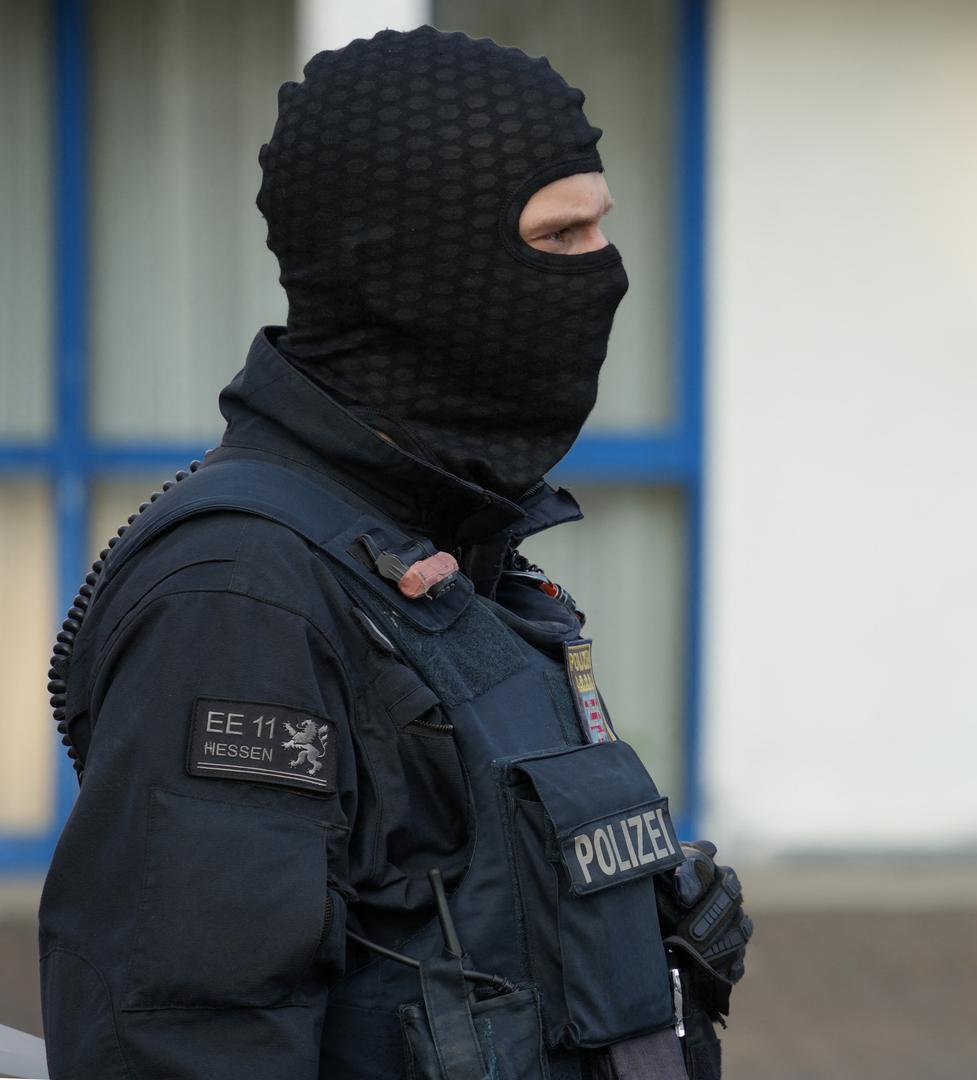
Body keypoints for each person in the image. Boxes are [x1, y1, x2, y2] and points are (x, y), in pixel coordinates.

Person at [39, 28, 748, 1080]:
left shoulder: (459, 556)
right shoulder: (243, 601)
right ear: (418, 274)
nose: (605, 278)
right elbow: (187, 1039)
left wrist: (645, 937)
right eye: (558, 240)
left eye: (602, 230)